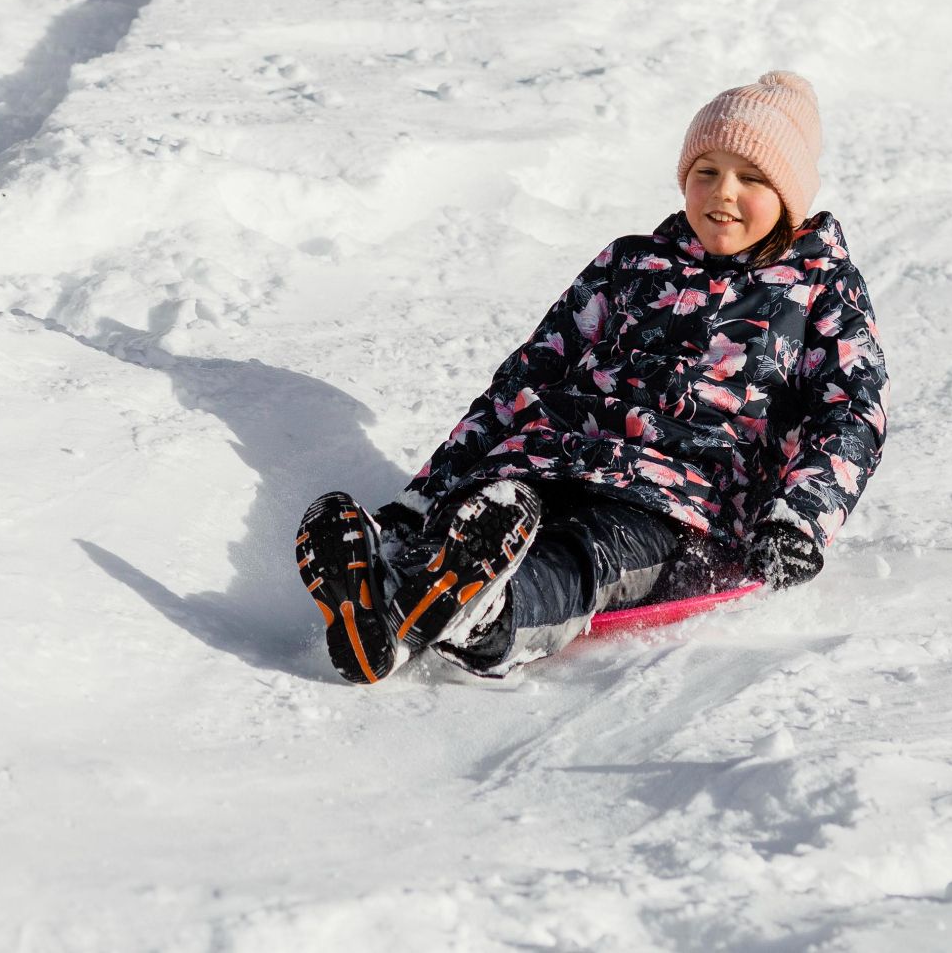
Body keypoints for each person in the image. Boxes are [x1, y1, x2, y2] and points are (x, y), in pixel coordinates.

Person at [296, 71, 888, 683]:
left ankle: (495, 615)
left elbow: (851, 413)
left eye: (752, 178)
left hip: (679, 501)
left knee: (585, 553)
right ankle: (391, 598)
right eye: (705, 171)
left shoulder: (820, 288)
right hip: (551, 457)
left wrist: (799, 518)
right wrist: (425, 494)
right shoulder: (630, 264)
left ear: (790, 196)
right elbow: (526, 379)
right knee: (483, 515)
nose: (723, 192)